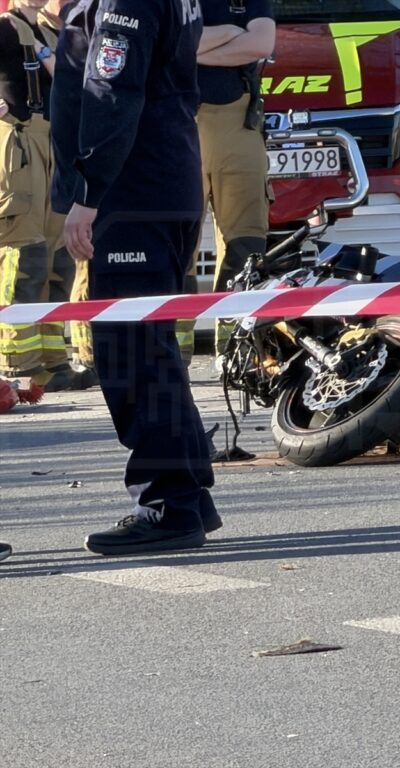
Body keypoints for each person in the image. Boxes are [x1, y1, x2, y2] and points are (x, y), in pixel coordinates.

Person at [51, 0, 221, 555]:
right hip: (162, 186)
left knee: (131, 356)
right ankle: (188, 497)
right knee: (152, 349)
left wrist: (88, 192)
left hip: (133, 192)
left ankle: (168, 504)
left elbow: (112, 91)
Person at [0, 0, 94, 392]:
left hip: (54, 143)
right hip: (18, 143)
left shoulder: (52, 31)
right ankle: (17, 363)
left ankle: (54, 360)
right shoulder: (4, 28)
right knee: (25, 253)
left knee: (57, 256)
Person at [185, 0, 274, 362]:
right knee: (178, 242)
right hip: (181, 122)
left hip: (239, 123)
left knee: (247, 241)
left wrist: (194, 50)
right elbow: (167, 43)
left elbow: (261, 44)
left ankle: (233, 345)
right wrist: (230, 34)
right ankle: (174, 350)